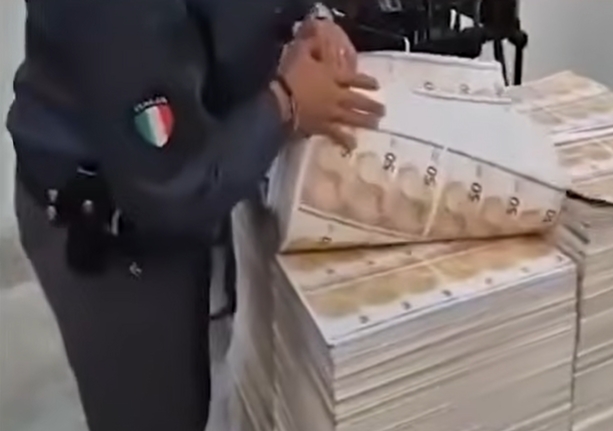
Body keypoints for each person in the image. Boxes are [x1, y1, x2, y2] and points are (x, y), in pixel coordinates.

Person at [6, 0, 385, 429]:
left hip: (183, 144)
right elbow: (171, 188)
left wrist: (309, 19)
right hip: (114, 226)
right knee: (160, 409)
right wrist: (286, 101)